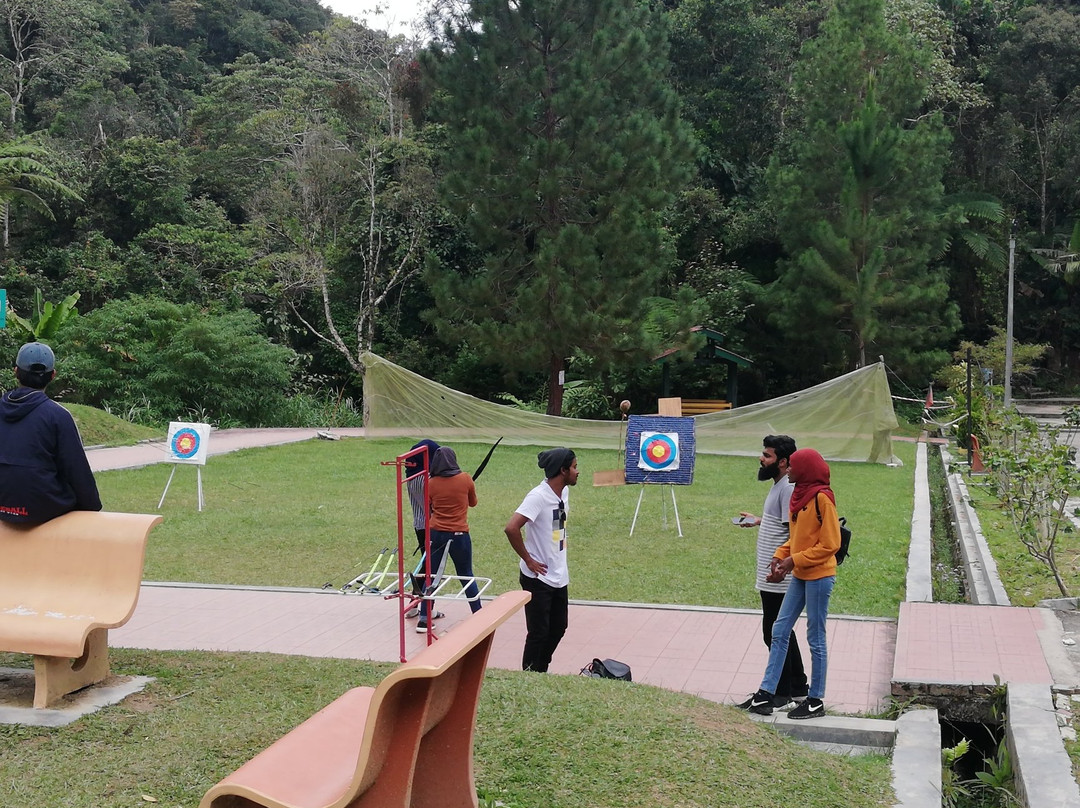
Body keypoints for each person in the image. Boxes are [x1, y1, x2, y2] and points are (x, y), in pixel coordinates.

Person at [739, 447, 839, 719]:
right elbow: (797, 538)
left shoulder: (822, 499)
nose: (789, 469)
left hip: (819, 577)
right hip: (800, 575)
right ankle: (766, 694)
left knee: (815, 637)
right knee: (779, 630)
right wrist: (779, 555)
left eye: (793, 466)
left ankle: (815, 699)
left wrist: (794, 560)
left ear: (805, 469)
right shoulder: (798, 496)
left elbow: (831, 544)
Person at [735, 435, 808, 711]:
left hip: (780, 576)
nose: (761, 459)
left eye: (766, 455)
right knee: (781, 631)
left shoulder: (788, 489)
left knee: (774, 632)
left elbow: (796, 533)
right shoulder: (779, 485)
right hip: (773, 574)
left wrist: (782, 566)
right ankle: (798, 687)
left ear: (782, 461)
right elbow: (782, 523)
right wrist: (759, 521)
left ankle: (779, 692)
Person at [0, 342, 102, 524]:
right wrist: (93, 509)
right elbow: (77, 472)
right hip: (42, 509)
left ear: (16, 371)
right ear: (52, 376)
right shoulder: (58, 416)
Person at [504, 447, 578, 672]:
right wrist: (528, 560)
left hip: (558, 573)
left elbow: (555, 529)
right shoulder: (538, 496)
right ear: (563, 470)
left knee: (559, 627)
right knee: (538, 632)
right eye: (574, 467)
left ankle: (541, 669)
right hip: (538, 577)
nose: (577, 472)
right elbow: (511, 528)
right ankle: (529, 673)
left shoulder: (562, 492)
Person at [417, 446, 480, 633]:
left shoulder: (430, 483)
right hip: (459, 534)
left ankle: (424, 618)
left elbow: (429, 507)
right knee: (466, 574)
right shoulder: (466, 479)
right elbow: (473, 503)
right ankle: (478, 614)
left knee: (431, 575)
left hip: (436, 533)